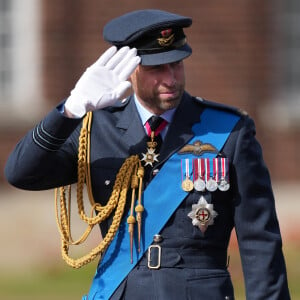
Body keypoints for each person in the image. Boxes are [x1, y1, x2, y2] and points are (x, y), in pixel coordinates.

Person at [4, 9, 290, 300]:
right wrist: (69, 111)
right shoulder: (94, 128)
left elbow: (260, 242)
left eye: (176, 65)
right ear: (131, 70)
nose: (171, 79)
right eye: (157, 69)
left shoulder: (228, 131)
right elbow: (22, 173)